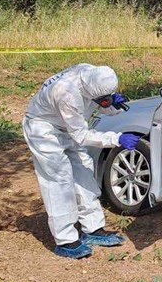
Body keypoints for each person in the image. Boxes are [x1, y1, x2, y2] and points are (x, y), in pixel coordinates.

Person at [22, 63, 140, 259]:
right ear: (90, 91)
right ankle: (66, 240)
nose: (104, 100)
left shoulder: (91, 73)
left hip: (68, 126)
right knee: (59, 180)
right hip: (43, 129)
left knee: (84, 172)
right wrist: (116, 139)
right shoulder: (66, 93)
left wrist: (110, 105)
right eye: (102, 99)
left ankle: (93, 229)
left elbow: (89, 105)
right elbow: (81, 135)